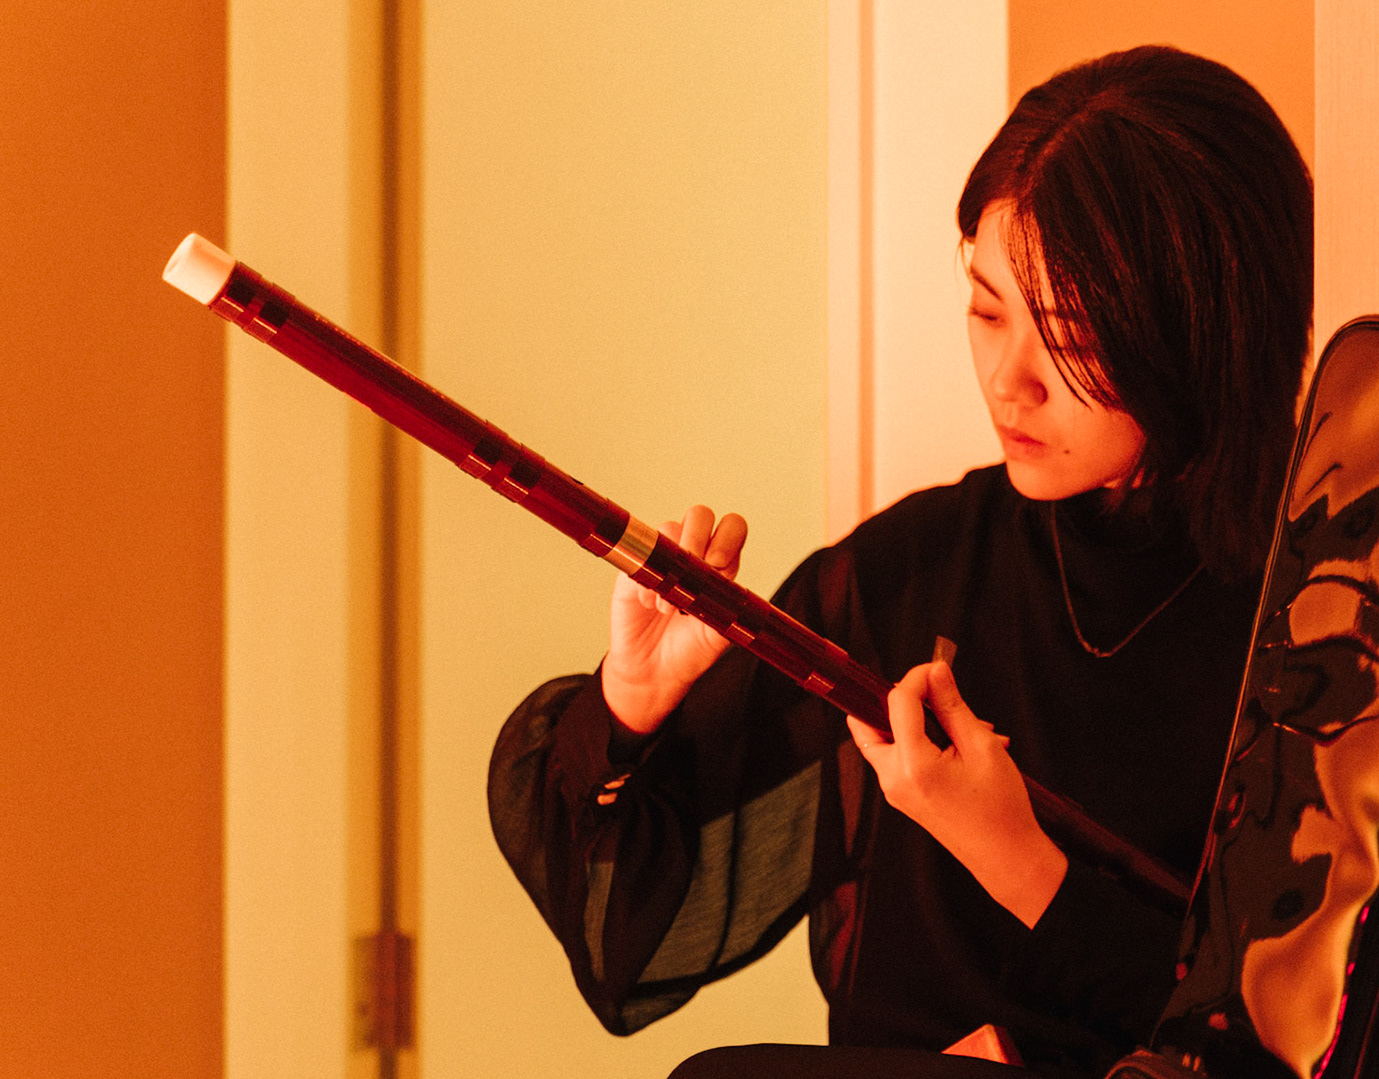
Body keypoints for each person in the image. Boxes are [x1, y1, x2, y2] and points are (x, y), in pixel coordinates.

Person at [488, 46, 1312, 1079]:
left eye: (1070, 334)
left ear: (1203, 330)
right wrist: (631, 705)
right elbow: (633, 948)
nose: (1009, 379)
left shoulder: (1319, 609)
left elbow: (1305, 1030)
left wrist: (1021, 865)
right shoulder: (915, 570)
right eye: (987, 309)